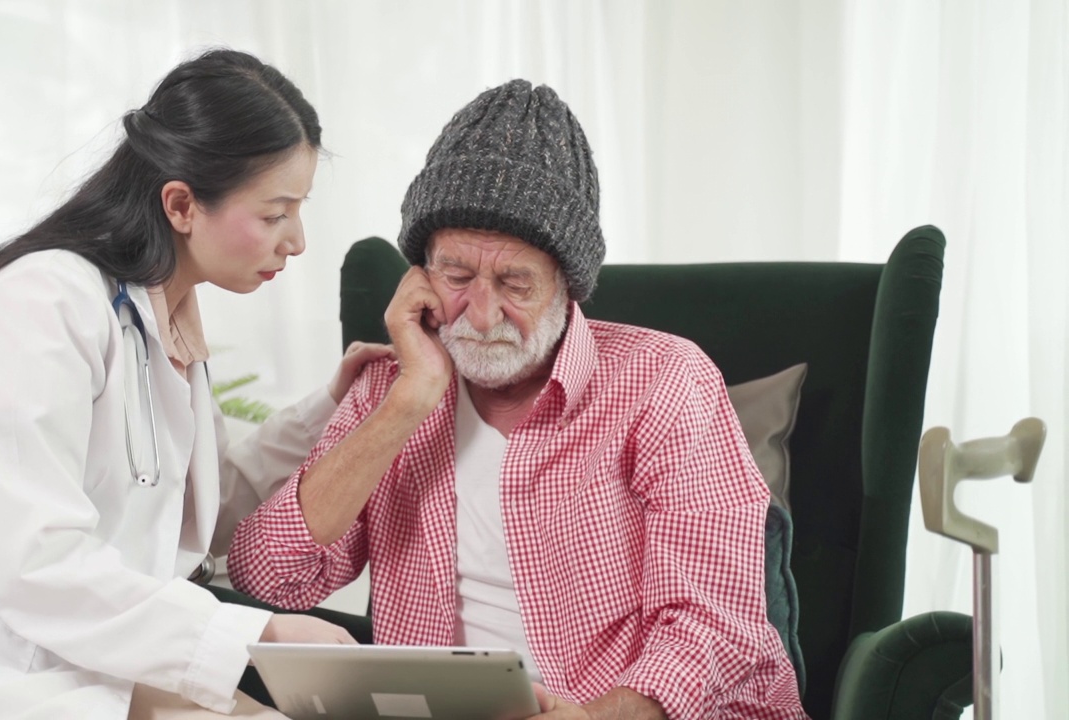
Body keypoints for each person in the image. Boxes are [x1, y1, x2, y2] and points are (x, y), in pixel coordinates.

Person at [0, 49, 390, 719]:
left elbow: (206, 510)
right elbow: (38, 563)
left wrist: (331, 407)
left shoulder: (165, 317)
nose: (298, 241)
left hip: (61, 652)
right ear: (183, 204)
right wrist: (258, 632)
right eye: (277, 213)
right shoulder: (41, 303)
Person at [227, 80, 808, 719]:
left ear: (568, 285)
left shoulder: (667, 381)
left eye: (514, 283)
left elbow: (715, 628)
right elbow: (268, 573)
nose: (480, 315)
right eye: (456, 276)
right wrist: (407, 402)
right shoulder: (393, 389)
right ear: (419, 275)